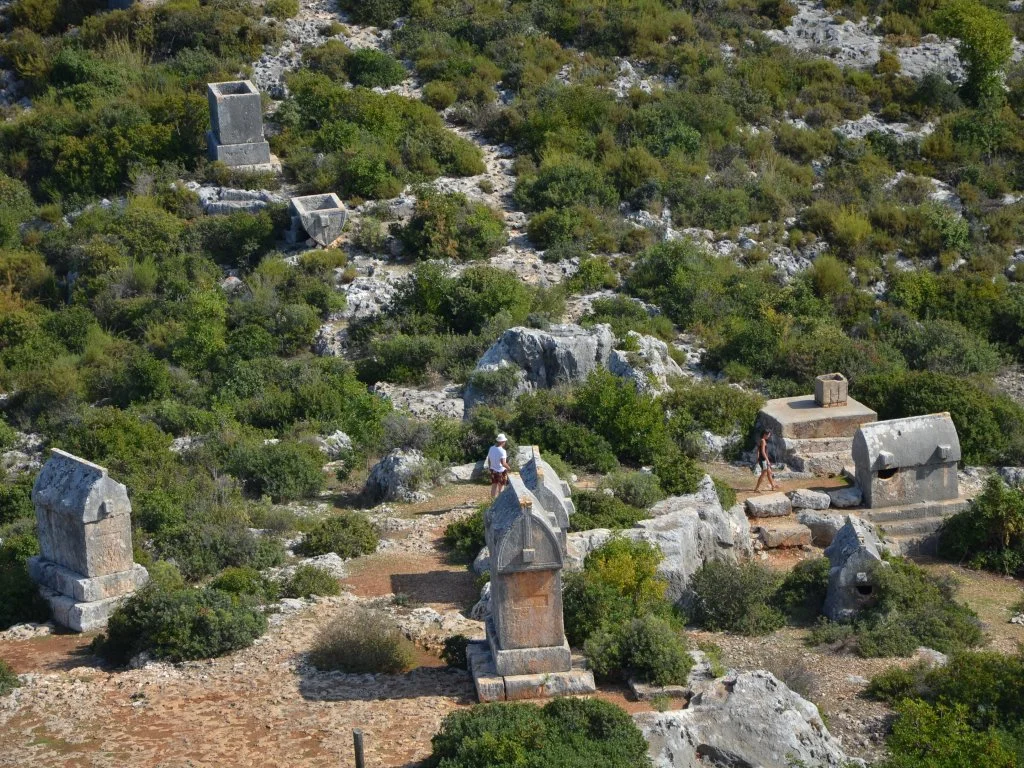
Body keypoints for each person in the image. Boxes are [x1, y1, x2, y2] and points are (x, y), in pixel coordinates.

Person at [487, 433, 511, 499]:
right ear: (503, 442)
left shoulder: (491, 448)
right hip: (501, 471)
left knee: (494, 485)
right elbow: (503, 463)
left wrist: (490, 467)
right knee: (501, 486)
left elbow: (489, 459)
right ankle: (500, 501)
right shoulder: (503, 451)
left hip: (493, 470)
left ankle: (492, 501)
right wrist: (509, 468)